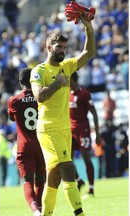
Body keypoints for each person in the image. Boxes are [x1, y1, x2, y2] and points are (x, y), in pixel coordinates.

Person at [30, 14, 95, 216]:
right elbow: (39, 96)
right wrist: (58, 83)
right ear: (49, 48)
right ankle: (80, 214)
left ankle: (46, 214)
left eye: (64, 48)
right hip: (48, 128)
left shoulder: (67, 66)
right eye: (59, 47)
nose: (62, 51)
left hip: (64, 128)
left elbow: (89, 52)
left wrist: (88, 29)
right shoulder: (39, 71)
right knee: (67, 168)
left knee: (55, 175)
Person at [7, 68, 46, 216]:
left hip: (24, 145)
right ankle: (41, 208)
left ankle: (35, 210)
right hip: (41, 143)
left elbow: (11, 118)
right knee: (41, 178)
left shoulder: (14, 100)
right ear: (32, 81)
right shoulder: (40, 97)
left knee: (27, 181)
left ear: (20, 81)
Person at [69, 72, 101, 197]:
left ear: (71, 78)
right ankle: (79, 180)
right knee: (67, 160)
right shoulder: (66, 93)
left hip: (83, 130)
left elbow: (94, 113)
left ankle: (91, 189)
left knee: (86, 158)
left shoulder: (84, 93)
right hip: (70, 131)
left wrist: (97, 134)